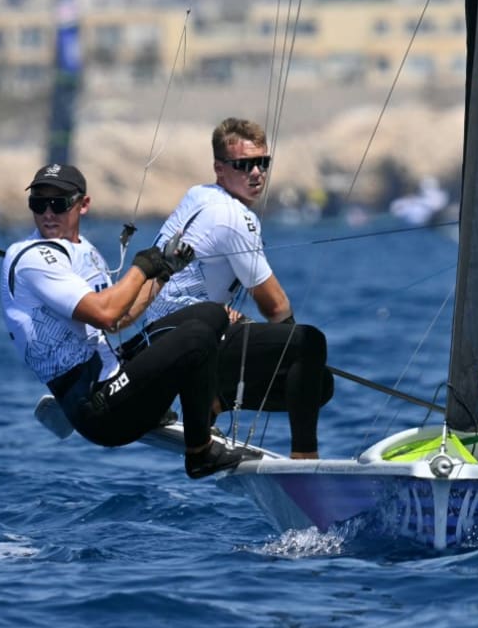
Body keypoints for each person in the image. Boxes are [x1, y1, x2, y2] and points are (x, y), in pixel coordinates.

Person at [1, 163, 258, 479]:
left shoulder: (87, 253)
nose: (48, 213)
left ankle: (182, 410)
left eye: (59, 203)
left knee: (210, 314)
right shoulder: (32, 258)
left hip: (112, 376)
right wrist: (141, 267)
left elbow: (119, 318)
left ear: (83, 204)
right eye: (38, 204)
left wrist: (163, 271)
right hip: (97, 411)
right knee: (195, 340)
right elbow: (104, 312)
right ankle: (200, 453)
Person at [138, 117, 334, 459]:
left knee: (315, 378)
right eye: (244, 165)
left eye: (262, 163)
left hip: (158, 339)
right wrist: (292, 357)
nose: (256, 173)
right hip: (186, 343)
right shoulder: (235, 218)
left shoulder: (198, 195)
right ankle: (306, 459)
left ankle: (212, 400)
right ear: (220, 169)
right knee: (310, 345)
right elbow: (275, 306)